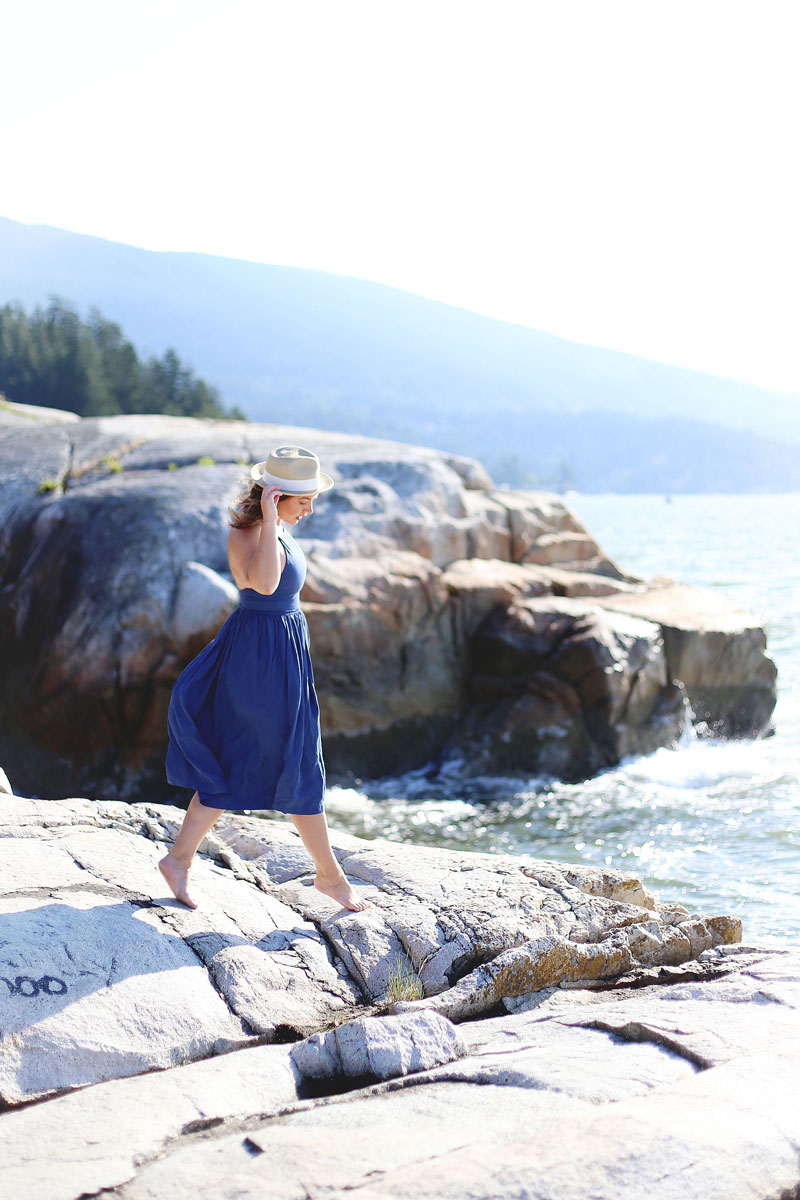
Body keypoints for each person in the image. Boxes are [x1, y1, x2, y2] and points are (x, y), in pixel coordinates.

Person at [159, 445, 372, 912]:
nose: (311, 509)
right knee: (282, 758)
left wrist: (280, 521)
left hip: (284, 652)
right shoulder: (248, 535)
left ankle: (179, 859)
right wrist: (272, 523)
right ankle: (330, 877)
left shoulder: (281, 530)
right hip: (257, 659)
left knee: (287, 757)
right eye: (303, 501)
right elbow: (268, 585)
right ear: (276, 497)